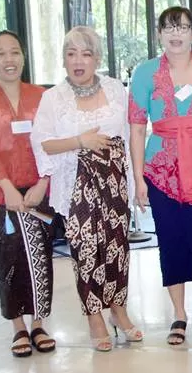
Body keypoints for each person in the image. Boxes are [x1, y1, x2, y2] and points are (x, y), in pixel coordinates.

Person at [31, 26, 142, 352]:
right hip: (78, 182)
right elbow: (43, 143)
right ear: (63, 59)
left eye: (86, 53)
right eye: (71, 54)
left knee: (118, 248)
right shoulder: (53, 98)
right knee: (86, 250)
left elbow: (130, 133)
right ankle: (94, 316)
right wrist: (80, 141)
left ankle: (118, 310)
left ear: (97, 58)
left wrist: (136, 180)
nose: (78, 61)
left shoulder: (115, 88)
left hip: (115, 179)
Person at [129, 7, 192, 347]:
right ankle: (179, 313)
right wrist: (139, 178)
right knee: (170, 242)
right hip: (161, 171)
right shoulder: (144, 73)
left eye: (183, 27)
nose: (176, 34)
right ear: (159, 34)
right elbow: (137, 127)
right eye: (169, 28)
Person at [0, 30, 56, 357]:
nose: (9, 59)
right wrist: (6, 188)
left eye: (14, 52)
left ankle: (39, 323)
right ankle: (18, 326)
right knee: (8, 258)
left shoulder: (41, 96)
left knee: (40, 256)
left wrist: (43, 182)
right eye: (1, 53)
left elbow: (50, 140)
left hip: (37, 190)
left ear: (23, 56)